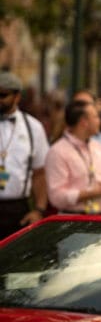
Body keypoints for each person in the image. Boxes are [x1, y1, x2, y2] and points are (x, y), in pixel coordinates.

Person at [45, 100, 101, 214]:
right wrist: (97, 192)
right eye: (96, 117)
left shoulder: (98, 147)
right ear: (84, 122)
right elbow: (56, 198)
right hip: (75, 221)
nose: (99, 121)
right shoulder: (57, 151)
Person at [0, 71, 49, 239]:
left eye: (3, 95)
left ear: (17, 97)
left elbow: (40, 173)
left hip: (18, 210)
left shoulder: (33, 127)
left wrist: (39, 210)